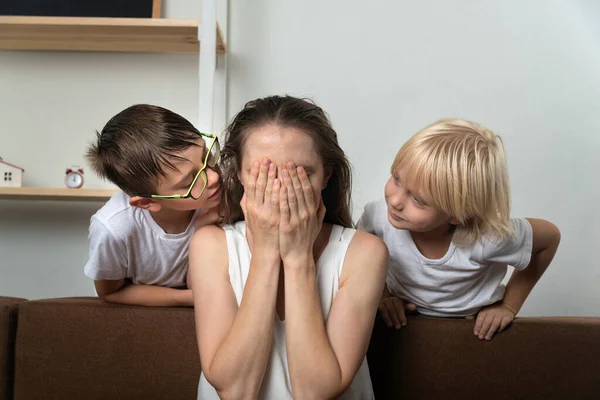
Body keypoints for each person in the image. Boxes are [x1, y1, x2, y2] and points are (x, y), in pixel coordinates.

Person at [189, 95, 388, 399]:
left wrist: (297, 258)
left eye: (300, 174)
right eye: (262, 174)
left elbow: (315, 392)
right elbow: (235, 390)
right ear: (241, 175)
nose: (281, 189)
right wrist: (267, 255)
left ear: (326, 176)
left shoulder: (364, 253)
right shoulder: (210, 246)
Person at [358, 118, 561, 340]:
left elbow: (549, 238)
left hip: (471, 332)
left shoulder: (486, 238)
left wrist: (509, 306)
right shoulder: (377, 218)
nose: (395, 201)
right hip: (406, 327)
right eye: (396, 178)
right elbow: (359, 256)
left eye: (418, 199)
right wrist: (384, 296)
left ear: (457, 214)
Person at [84, 104, 222, 307]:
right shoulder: (113, 229)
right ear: (148, 202)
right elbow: (109, 292)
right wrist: (188, 298)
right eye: (188, 182)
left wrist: (204, 230)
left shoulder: (215, 195)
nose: (213, 176)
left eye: (206, 157)